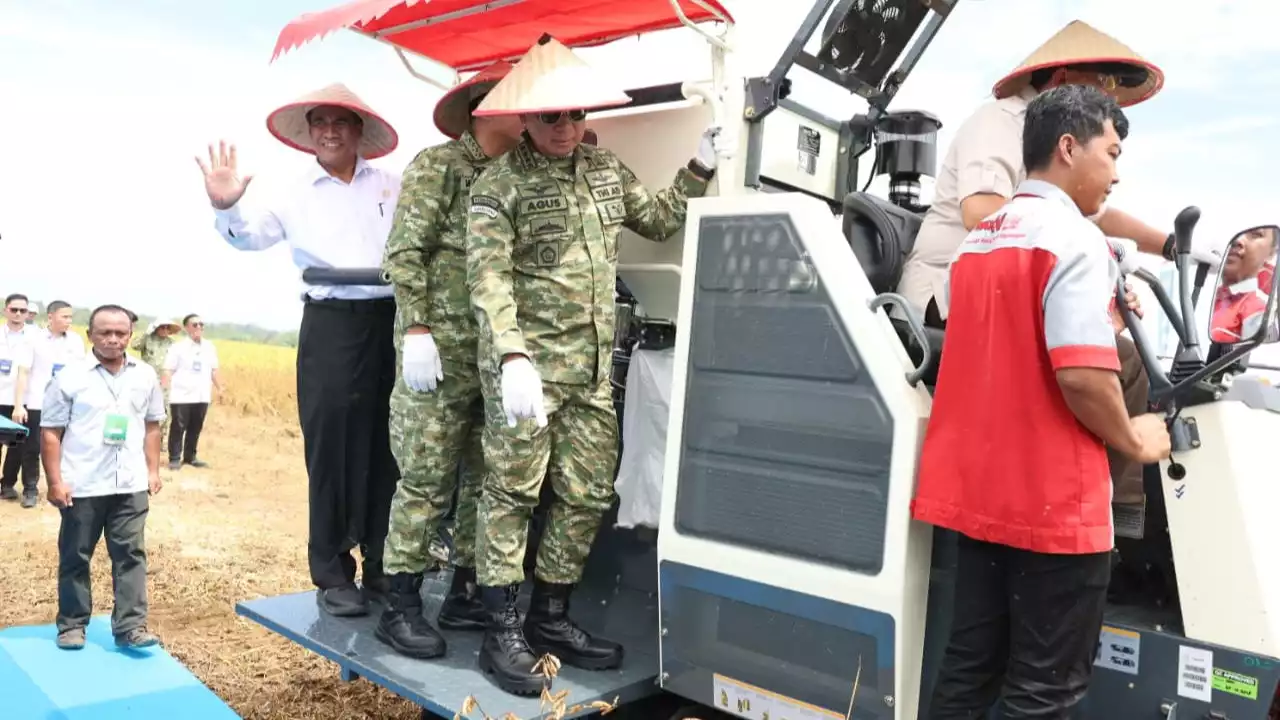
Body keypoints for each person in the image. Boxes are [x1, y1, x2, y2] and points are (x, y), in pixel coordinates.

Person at [465, 34, 721, 694]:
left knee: (584, 496)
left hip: (587, 376)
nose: (566, 127)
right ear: (525, 118)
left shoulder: (606, 172)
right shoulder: (499, 186)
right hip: (525, 375)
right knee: (512, 496)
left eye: (576, 115)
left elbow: (660, 220)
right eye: (552, 116)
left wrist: (699, 165)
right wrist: (512, 354)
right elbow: (487, 278)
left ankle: (551, 616)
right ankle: (501, 632)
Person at [912, 85, 1172, 718]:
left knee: (968, 671)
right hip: (1054, 511)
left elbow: (1011, 353)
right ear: (1067, 147)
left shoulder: (975, 244)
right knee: (1042, 693)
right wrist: (1136, 439)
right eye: (1109, 153)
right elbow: (1081, 378)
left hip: (980, 500)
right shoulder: (1074, 240)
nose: (1116, 172)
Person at [895, 20, 1196, 514]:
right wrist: (1087, 272)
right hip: (948, 294)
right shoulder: (1000, 121)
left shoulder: (1057, 164)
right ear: (1060, 78)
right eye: (1100, 83)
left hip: (1014, 292)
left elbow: (1097, 216)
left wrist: (1172, 245)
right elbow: (982, 211)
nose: (1108, 96)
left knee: (1122, 352)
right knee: (1117, 362)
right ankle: (1105, 514)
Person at [196, 83, 402, 617]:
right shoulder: (295, 192)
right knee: (329, 443)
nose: (329, 130)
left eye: (341, 121)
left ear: (360, 131)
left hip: (393, 323)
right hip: (330, 322)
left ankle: (385, 562)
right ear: (310, 133)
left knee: (391, 443)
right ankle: (333, 572)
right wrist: (227, 208)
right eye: (320, 122)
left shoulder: (394, 186)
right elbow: (249, 237)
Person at [377, 61, 525, 660]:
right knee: (427, 479)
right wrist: (416, 325)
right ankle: (400, 605)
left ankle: (464, 589)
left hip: (490, 356)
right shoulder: (438, 166)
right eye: (523, 105)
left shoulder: (514, 177)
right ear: (488, 109)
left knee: (481, 479)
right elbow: (405, 251)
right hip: (436, 353)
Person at [42, 304, 164, 651]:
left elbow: (153, 425)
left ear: (130, 335)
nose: (113, 339)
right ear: (90, 335)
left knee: (130, 556)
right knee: (75, 556)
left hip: (130, 484)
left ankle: (131, 627)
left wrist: (152, 470)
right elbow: (50, 432)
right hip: (82, 484)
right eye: (104, 333)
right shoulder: (69, 376)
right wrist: (55, 481)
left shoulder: (145, 375)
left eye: (120, 333)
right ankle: (72, 625)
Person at [8, 301, 87, 508]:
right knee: (31, 448)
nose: (68, 321)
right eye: (64, 317)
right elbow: (23, 372)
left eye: (70, 317)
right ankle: (30, 489)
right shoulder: (34, 340)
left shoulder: (76, 341)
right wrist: (19, 405)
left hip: (66, 403)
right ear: (50, 317)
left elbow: (81, 372)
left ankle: (66, 487)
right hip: (36, 402)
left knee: (68, 448)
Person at [162, 314, 222, 470]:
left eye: (201, 324)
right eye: (195, 324)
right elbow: (168, 369)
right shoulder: (178, 348)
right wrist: (164, 388)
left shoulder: (209, 347)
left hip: (202, 394)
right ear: (187, 327)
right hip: (182, 394)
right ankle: (174, 458)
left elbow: (214, 370)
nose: (199, 328)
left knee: (196, 427)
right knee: (178, 427)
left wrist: (220, 387)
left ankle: (190, 456)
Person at [1209, 225, 1279, 344]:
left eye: (1256, 234)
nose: (1237, 240)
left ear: (1271, 253)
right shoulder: (1198, 295)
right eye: (1233, 232)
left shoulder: (1261, 309)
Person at [0, 292, 36, 501]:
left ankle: (7, 485)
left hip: (20, 400)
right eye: (14, 309)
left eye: (23, 310)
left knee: (15, 445)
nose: (18, 314)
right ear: (6, 310)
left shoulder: (35, 336)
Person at [131, 317, 181, 438]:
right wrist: (146, 333)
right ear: (156, 328)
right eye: (162, 327)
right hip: (147, 379)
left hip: (165, 381)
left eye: (167, 327)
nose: (165, 330)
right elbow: (134, 345)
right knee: (144, 406)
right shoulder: (147, 340)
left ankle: (161, 437)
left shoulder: (172, 344)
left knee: (164, 409)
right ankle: (141, 434)